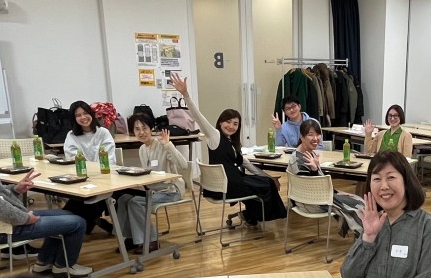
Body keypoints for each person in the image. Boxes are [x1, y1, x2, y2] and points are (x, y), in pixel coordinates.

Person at [0, 101, 92, 278]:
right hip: (2, 227)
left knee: (67, 214)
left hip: (2, 220)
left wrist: (15, 189)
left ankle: (44, 263)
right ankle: (63, 267)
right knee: (77, 222)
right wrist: (25, 219)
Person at [171, 73, 286, 226]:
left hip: (232, 183)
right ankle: (255, 216)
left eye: (235, 124)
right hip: (226, 186)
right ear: (220, 122)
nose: (231, 126)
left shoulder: (232, 143)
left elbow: (247, 164)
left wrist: (269, 177)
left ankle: (251, 216)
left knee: (265, 182)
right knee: (265, 185)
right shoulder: (215, 136)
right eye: (228, 122)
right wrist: (186, 95)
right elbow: (198, 117)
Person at [115, 115, 188, 254]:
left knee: (134, 203)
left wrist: (168, 144)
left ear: (151, 129)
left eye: (144, 128)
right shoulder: (142, 149)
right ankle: (132, 237)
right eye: (137, 129)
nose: (141, 132)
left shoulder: (162, 145)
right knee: (123, 199)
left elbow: (183, 165)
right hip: (153, 190)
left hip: (170, 190)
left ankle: (152, 240)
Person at [287, 119, 365, 237]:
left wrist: (337, 192)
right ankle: (363, 238)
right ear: (302, 137)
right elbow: (312, 188)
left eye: (318, 134)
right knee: (357, 206)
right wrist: (314, 170)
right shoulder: (298, 159)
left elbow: (317, 186)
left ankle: (363, 236)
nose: (315, 138)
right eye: (310, 134)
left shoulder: (308, 153)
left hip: (317, 197)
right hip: (310, 202)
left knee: (357, 200)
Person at [61, 100, 117, 235]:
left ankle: (83, 223)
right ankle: (82, 223)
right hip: (82, 179)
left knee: (92, 202)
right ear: (74, 118)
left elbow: (108, 158)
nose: (83, 117)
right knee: (79, 205)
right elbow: (73, 158)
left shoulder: (103, 133)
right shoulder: (72, 135)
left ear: (91, 114)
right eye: (78, 115)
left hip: (103, 179)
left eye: (85, 113)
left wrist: (95, 174)